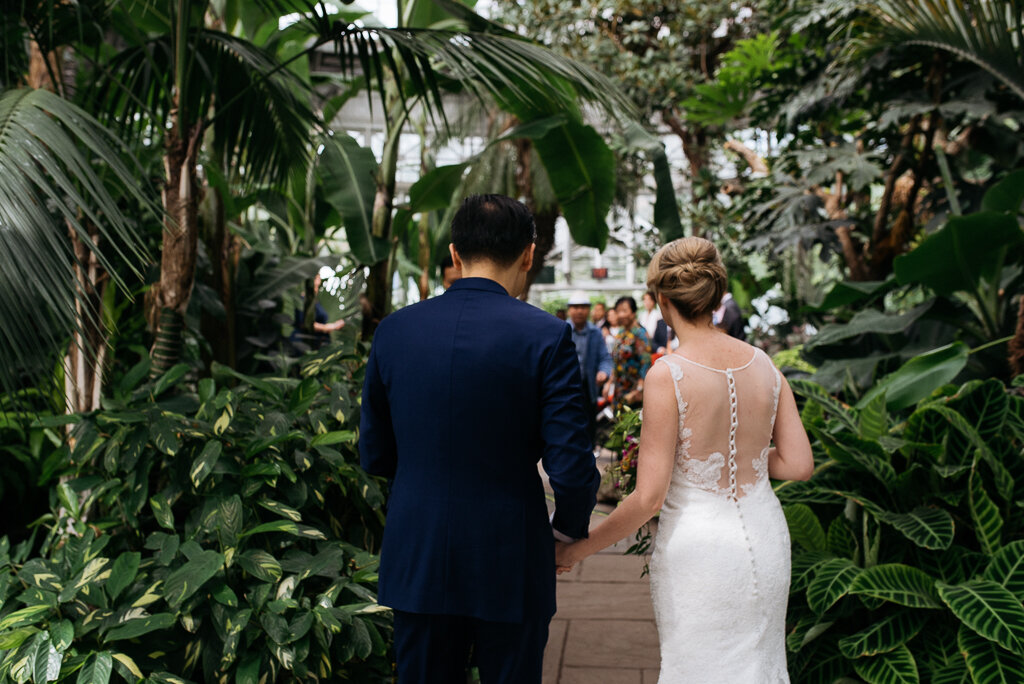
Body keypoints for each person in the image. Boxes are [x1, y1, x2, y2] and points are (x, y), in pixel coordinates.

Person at [359, 194, 600, 684]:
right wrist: (566, 531)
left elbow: (375, 454)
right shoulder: (546, 336)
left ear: (453, 254)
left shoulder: (394, 332)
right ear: (529, 255)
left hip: (419, 551)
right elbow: (572, 467)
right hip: (511, 555)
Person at [555, 237, 814, 682]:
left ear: (662, 300)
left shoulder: (668, 373)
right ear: (715, 295)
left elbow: (648, 498)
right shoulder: (766, 365)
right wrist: (742, 458)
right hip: (766, 535)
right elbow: (798, 465)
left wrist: (580, 548)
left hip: (701, 551)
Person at [566, 290, 613, 445]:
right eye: (575, 307)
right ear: (569, 309)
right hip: (566, 387)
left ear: (588, 310)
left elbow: (605, 358)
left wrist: (603, 372)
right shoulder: (562, 330)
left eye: (583, 307)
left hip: (588, 387)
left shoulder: (595, 332)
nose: (579, 311)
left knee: (588, 426)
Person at [609, 296, 651, 413]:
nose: (620, 314)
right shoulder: (621, 333)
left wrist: (638, 390)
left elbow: (646, 364)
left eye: (624, 310)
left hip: (633, 393)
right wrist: (609, 383)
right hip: (619, 389)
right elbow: (617, 360)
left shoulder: (640, 333)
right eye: (618, 311)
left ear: (633, 313)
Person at [291, 273, 344, 351]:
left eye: (319, 278)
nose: (318, 280)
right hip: (304, 343)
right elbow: (304, 323)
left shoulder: (316, 302)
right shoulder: (302, 300)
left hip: (318, 344)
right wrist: (329, 327)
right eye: (316, 278)